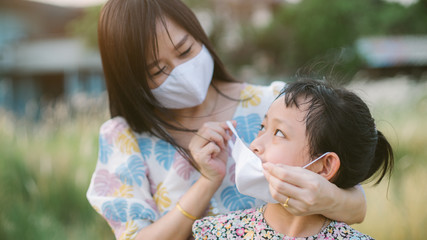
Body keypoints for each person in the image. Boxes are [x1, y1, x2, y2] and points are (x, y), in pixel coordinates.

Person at [86, 0, 368, 239]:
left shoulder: (273, 104)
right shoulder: (124, 139)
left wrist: (324, 198)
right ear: (131, 80)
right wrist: (207, 182)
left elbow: (356, 204)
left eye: (185, 50)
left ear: (200, 35)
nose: (181, 71)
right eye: (158, 70)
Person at [192, 79, 394, 239]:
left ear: (324, 166)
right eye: (262, 127)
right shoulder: (215, 232)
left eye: (279, 133)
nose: (255, 144)